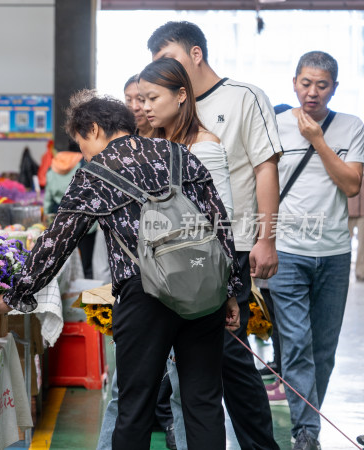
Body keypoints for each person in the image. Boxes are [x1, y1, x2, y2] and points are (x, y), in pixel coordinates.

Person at [0, 90, 241, 449]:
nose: (82, 153)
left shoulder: (95, 174)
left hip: (144, 295)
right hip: (202, 288)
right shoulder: (180, 154)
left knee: (135, 405)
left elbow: (57, 242)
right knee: (204, 400)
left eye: (81, 141)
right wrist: (229, 290)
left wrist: (14, 295)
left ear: (96, 129)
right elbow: (219, 222)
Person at [149, 21, 282, 450]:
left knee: (228, 355)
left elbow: (265, 167)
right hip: (177, 253)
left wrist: (266, 238)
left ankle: (260, 445)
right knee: (189, 359)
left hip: (232, 247)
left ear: (195, 54)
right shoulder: (168, 106)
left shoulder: (245, 97)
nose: (162, 72)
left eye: (168, 59)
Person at [96, 57, 236, 450]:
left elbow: (219, 222)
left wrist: (229, 288)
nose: (143, 106)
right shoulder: (163, 147)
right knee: (182, 396)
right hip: (163, 279)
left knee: (193, 397)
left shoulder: (202, 148)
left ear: (181, 96)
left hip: (190, 281)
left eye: (151, 97)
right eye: (139, 99)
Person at [268, 51, 363, 450]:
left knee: (323, 350)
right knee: (295, 344)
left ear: (334, 88)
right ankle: (306, 431)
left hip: (336, 253)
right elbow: (264, 185)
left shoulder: (351, 127)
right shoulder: (274, 126)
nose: (312, 92)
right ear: (294, 83)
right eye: (306, 83)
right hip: (288, 250)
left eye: (321, 85)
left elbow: (352, 185)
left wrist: (318, 141)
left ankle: (307, 422)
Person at [43, 141, 98, 278]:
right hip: (84, 218)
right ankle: (85, 288)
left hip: (61, 216)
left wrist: (46, 213)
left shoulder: (54, 165)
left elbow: (48, 195)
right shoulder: (84, 164)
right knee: (86, 259)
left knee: (61, 257)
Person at [349, 178, 364, 281]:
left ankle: (361, 272)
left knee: (362, 244)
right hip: (347, 210)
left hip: (363, 213)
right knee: (343, 242)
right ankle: (343, 269)